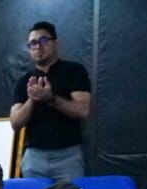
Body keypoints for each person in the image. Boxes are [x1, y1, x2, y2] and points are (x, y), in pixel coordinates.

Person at [10, 21, 91, 180]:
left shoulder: (74, 71)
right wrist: (33, 99)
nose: (38, 47)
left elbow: (83, 110)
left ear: (56, 43)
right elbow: (15, 122)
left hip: (68, 156)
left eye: (43, 41)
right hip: (34, 157)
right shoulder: (24, 81)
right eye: (32, 43)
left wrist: (51, 99)